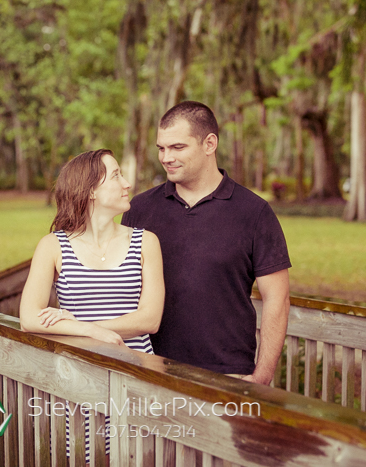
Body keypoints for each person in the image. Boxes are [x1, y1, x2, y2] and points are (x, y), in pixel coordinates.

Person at [122, 101, 291, 385]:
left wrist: (261, 376)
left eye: (177, 147)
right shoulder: (139, 208)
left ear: (209, 143)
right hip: (149, 368)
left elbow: (277, 298)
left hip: (227, 373)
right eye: (161, 148)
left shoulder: (254, 212)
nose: (166, 157)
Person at [20, 148, 164, 461]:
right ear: (91, 191)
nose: (127, 184)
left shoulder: (145, 242)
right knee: (84, 456)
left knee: (138, 457)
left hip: (136, 376)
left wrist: (81, 326)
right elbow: (29, 318)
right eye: (116, 176)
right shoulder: (53, 246)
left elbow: (150, 319)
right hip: (78, 382)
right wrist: (92, 334)